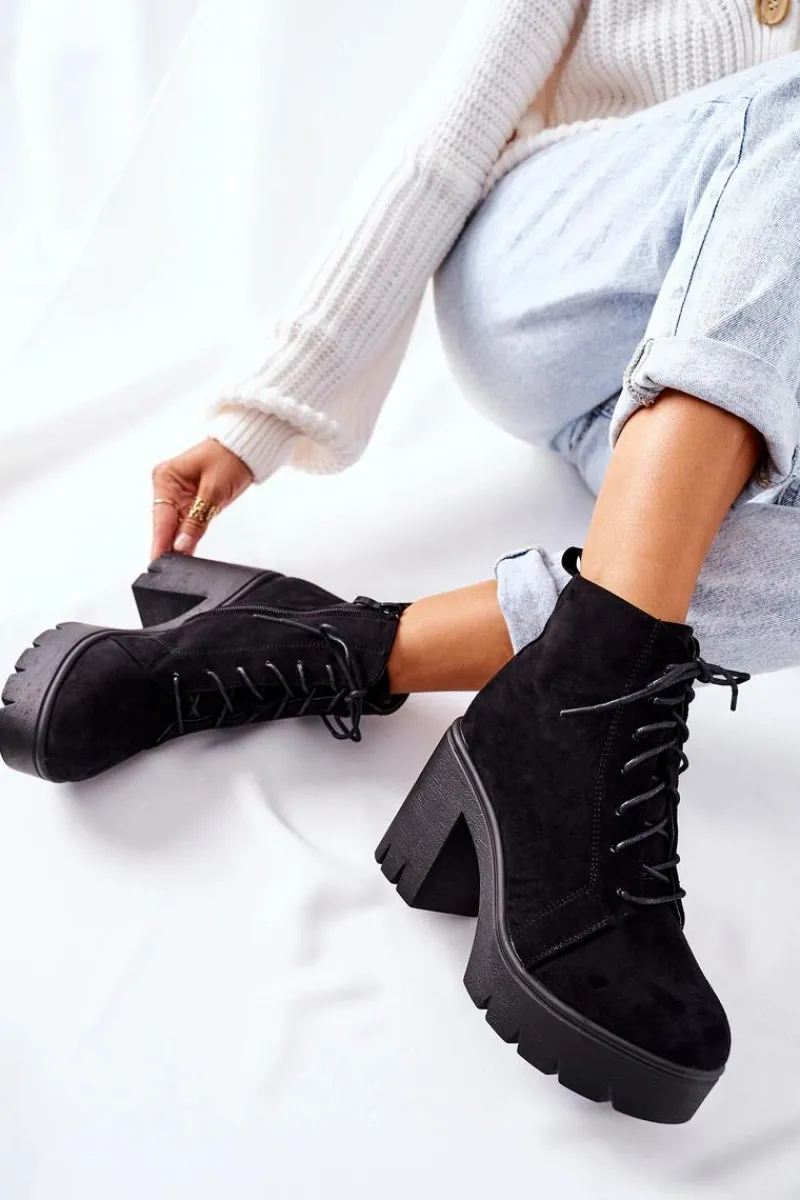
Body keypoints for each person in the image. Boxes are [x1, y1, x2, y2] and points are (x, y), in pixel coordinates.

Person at [3, 0, 800, 1123]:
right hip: (547, 284)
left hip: (723, 403)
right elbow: (442, 143)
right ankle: (577, 719)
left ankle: (327, 648)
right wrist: (262, 412)